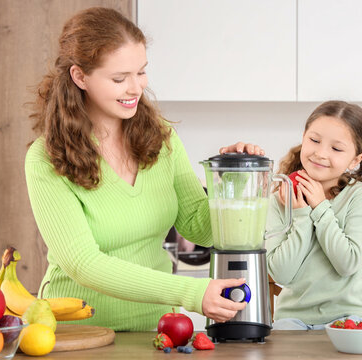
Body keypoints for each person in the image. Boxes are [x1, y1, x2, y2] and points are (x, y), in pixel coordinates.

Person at [25, 7, 262, 331]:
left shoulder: (161, 138)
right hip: (76, 334)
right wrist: (192, 292)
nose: (136, 88)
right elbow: (83, 264)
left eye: (141, 72)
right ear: (80, 77)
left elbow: (199, 227)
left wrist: (235, 177)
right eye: (119, 78)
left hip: (159, 330)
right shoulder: (46, 157)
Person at [265, 100, 362, 330]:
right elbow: (282, 274)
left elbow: (348, 264)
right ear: (303, 137)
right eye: (314, 140)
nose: (321, 153)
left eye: (336, 149)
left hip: (350, 318)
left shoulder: (360, 197)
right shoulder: (281, 198)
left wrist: (320, 207)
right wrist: (302, 214)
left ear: (355, 160)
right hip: (293, 320)